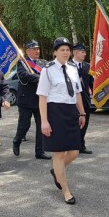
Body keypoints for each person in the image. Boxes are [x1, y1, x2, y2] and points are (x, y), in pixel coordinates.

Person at [37, 37, 85, 204]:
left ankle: (56, 171)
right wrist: (44, 121)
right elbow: (42, 97)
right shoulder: (47, 70)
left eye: (67, 49)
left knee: (74, 151)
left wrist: (82, 113)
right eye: (62, 49)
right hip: (55, 112)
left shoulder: (73, 69)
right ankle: (66, 191)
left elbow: (77, 93)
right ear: (55, 52)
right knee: (58, 153)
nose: (66, 52)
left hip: (71, 111)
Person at [12, 40, 51, 159]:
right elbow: (23, 76)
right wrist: (39, 77)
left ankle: (39, 151)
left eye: (38, 49)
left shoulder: (43, 63)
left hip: (40, 100)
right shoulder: (21, 63)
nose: (37, 51)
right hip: (26, 100)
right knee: (24, 125)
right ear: (28, 51)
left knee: (41, 126)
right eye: (34, 49)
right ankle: (17, 140)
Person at [71, 43, 94, 154]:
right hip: (72, 100)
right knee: (73, 123)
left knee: (84, 123)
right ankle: (73, 145)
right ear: (75, 52)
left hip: (85, 99)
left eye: (85, 52)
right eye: (82, 52)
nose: (85, 54)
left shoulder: (87, 66)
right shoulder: (68, 65)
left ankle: (81, 145)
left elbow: (91, 83)